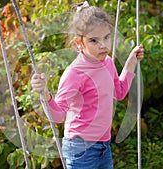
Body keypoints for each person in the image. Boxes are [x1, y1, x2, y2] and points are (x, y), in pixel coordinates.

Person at [31, 1, 144, 169]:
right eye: (94, 40)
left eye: (106, 37)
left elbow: (119, 92)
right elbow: (58, 116)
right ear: (79, 43)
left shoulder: (108, 63)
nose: (103, 45)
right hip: (80, 148)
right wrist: (45, 94)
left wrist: (131, 61)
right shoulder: (75, 73)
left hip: (104, 145)